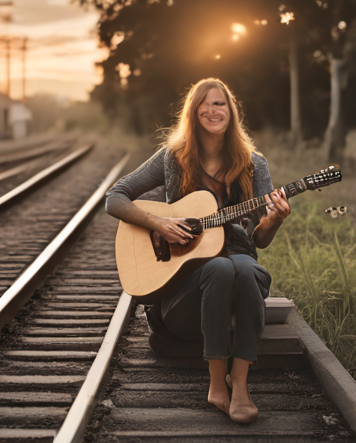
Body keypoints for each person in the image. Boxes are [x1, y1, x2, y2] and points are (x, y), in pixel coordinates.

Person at [105, 78, 290, 423]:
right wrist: (158, 224)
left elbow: (260, 241)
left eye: (219, 103)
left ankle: (242, 382)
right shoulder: (172, 159)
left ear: (230, 112)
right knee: (219, 268)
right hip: (184, 296)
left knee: (245, 267)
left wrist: (275, 220)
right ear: (192, 112)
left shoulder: (254, 165)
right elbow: (114, 197)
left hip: (238, 278)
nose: (211, 110)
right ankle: (216, 383)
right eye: (203, 104)